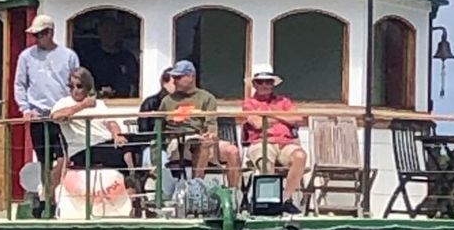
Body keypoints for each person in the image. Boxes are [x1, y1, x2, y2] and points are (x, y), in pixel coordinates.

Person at [13, 14, 78, 216]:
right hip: (39, 116)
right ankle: (47, 199)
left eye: (40, 34)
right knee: (44, 160)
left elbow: (76, 82)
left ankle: (49, 195)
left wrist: (73, 106)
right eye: (34, 35)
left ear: (50, 33)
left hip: (62, 115)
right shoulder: (26, 56)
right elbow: (20, 84)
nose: (36, 38)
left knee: (64, 157)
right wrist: (25, 109)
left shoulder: (68, 55)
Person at [159, 60, 241, 189]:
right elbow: (159, 127)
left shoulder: (207, 98)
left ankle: (234, 193)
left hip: (203, 139)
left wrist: (212, 134)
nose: (174, 80)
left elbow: (211, 122)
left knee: (232, 150)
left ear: (191, 77)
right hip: (178, 143)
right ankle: (196, 188)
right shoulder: (167, 101)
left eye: (178, 77)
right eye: (174, 77)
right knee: (201, 143)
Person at [241, 67, 308, 213]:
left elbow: (298, 119)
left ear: (273, 84)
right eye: (260, 82)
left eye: (268, 82)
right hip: (261, 142)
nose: (265, 85)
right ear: (254, 84)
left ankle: (285, 199)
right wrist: (284, 118)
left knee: (300, 156)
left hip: (286, 143)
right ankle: (269, 202)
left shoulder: (284, 101)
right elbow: (258, 124)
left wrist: (270, 115)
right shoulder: (249, 103)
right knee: (265, 160)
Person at [50, 69, 134, 171]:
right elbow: (55, 117)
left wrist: (117, 135)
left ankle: (136, 177)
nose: (75, 90)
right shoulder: (64, 103)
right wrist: (82, 106)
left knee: (135, 144)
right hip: (83, 149)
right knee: (123, 153)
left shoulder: (99, 104)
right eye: (71, 86)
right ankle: (132, 176)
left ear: (87, 87)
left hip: (105, 142)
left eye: (79, 86)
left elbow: (111, 122)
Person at [85, 17, 139, 99]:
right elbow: (84, 82)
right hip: (96, 103)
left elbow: (135, 83)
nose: (109, 35)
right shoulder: (90, 57)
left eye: (113, 31)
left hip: (124, 103)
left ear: (119, 34)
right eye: (106, 31)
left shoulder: (128, 58)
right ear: (99, 32)